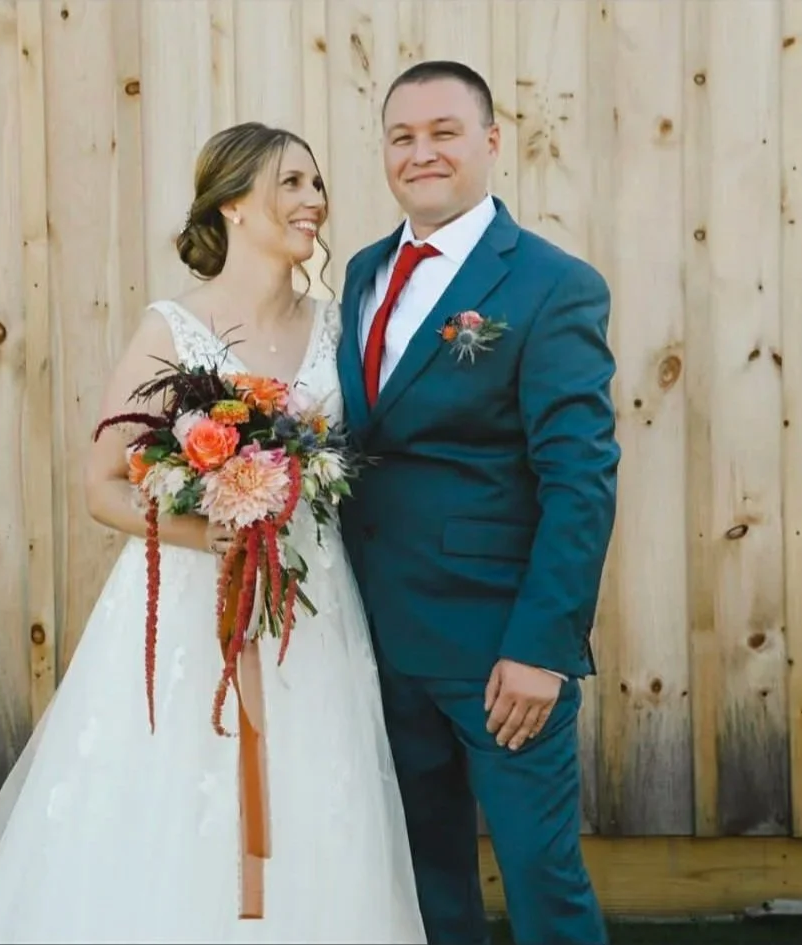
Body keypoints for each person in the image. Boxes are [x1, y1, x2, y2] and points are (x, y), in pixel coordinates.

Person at [0, 123, 425, 944]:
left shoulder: (337, 326)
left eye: (317, 184)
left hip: (310, 600)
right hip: (193, 602)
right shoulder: (174, 327)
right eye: (291, 184)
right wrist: (212, 532)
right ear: (232, 204)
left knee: (314, 786)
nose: (314, 202)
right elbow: (102, 485)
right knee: (175, 790)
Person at [337, 61, 620, 945]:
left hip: (496, 651)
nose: (420, 153)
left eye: (443, 132)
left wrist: (541, 647)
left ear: (491, 144)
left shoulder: (548, 284)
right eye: (401, 137)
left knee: (541, 882)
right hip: (375, 635)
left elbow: (580, 480)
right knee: (425, 876)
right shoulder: (362, 271)